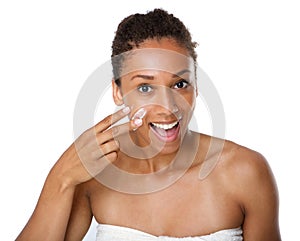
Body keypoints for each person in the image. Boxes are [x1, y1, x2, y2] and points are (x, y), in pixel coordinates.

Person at [16, 9, 281, 241]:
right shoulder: (96, 173)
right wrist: (60, 179)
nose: (168, 107)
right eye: (145, 87)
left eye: (180, 84)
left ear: (196, 87)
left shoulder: (244, 172)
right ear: (118, 93)